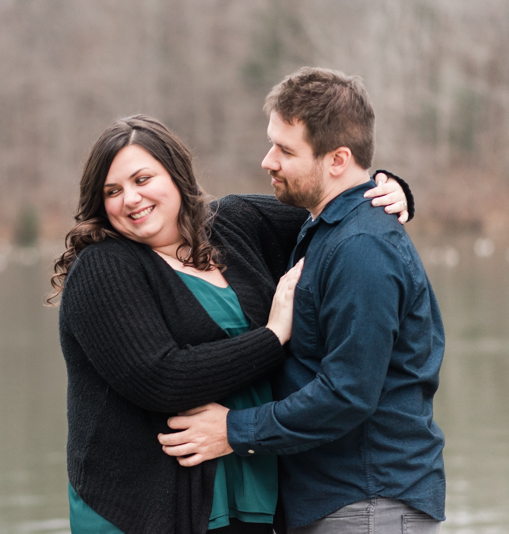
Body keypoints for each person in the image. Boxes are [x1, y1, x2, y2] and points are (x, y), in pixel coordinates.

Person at [49, 114, 412, 534]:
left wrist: (389, 189)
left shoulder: (234, 223)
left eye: (142, 179)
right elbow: (161, 378)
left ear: (175, 174)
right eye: (113, 191)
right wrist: (273, 336)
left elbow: (336, 211)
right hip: (142, 507)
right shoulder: (103, 268)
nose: (130, 198)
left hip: (249, 490)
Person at [158, 67, 445, 533]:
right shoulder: (324, 227)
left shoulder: (362, 249)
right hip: (340, 504)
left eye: (285, 150)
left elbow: (348, 394)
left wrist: (233, 430)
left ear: (337, 160)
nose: (268, 160)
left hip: (368, 505)